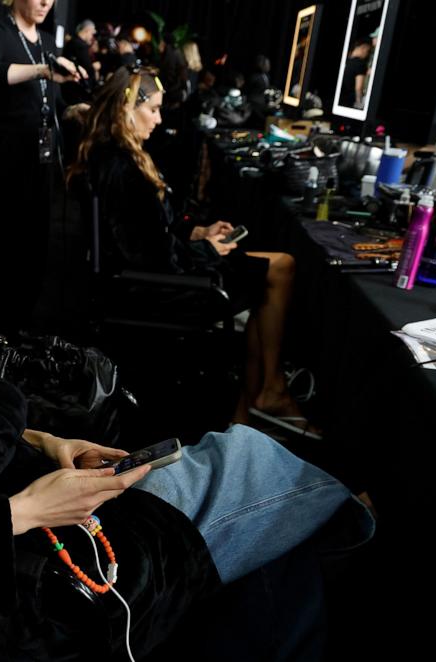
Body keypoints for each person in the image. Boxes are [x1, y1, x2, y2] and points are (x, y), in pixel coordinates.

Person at [0, 94, 374, 660]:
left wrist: (45, 442)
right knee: (252, 466)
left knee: (258, 497)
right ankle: (349, 525)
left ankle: (333, 527)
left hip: (30, 501)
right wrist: (27, 510)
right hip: (23, 587)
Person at [70, 66, 319, 437]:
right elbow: (152, 254)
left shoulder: (118, 155)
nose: (159, 118)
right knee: (280, 269)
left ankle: (261, 398)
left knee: (279, 267)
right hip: (157, 287)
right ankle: (262, 398)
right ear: (126, 109)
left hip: (160, 270)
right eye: (152, 109)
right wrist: (206, 249)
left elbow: (151, 229)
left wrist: (198, 231)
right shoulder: (122, 167)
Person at [0, 0, 84, 344]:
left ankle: (19, 330)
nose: (46, 2)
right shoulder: (1, 33)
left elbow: (51, 101)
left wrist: (77, 109)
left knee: (33, 248)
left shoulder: (47, 42)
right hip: (3, 159)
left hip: (38, 162)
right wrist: (42, 71)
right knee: (0, 250)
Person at [340, 40, 371, 110]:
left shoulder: (346, 60)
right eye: (368, 51)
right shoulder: (360, 64)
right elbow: (358, 88)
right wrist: (359, 103)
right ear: (363, 48)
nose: (367, 54)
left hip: (341, 99)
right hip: (350, 102)